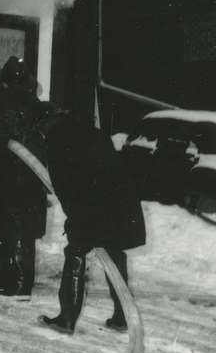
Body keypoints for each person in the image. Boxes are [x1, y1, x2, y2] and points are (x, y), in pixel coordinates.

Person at [35, 106, 146, 334]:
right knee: (114, 253)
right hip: (121, 203)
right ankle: (122, 316)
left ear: (47, 125)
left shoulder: (57, 144)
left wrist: (74, 218)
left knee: (75, 251)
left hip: (95, 205)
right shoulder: (90, 132)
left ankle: (66, 319)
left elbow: (66, 188)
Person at [0, 56, 47, 297]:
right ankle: (20, 281)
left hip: (12, 176)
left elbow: (2, 139)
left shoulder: (7, 103)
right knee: (26, 229)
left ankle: (18, 283)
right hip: (33, 176)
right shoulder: (37, 104)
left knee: (13, 227)